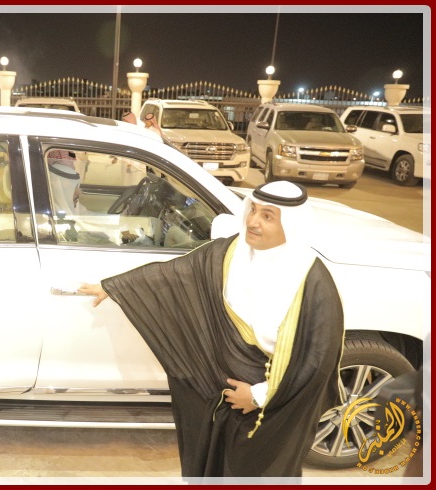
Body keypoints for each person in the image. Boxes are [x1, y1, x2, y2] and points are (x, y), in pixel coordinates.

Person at [79, 181, 345, 478]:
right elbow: (177, 274)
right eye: (253, 210)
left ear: (291, 225)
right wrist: (115, 287)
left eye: (267, 216)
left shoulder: (313, 283)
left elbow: (316, 363)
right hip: (218, 398)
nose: (253, 222)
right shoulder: (230, 252)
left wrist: (258, 396)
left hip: (269, 408)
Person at [46, 149, 81, 216]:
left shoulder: (75, 208)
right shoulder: (51, 215)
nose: (79, 192)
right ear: (57, 185)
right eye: (72, 185)